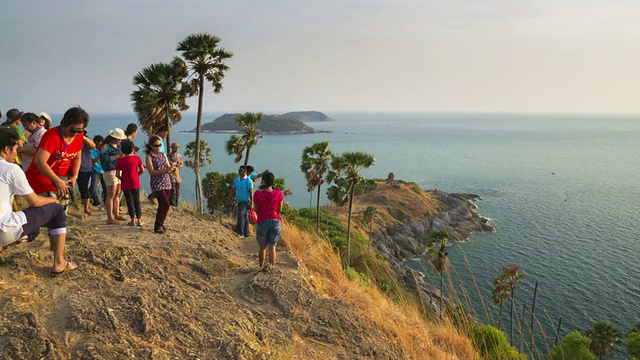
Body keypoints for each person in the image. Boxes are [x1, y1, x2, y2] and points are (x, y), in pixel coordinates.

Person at [0, 128, 78, 274]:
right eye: (16, 149)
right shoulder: (11, 169)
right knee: (57, 210)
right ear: (6, 149)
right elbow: (34, 202)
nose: (17, 154)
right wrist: (52, 199)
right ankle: (60, 263)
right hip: (4, 230)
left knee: (28, 222)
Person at [25, 107, 88, 211]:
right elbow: (40, 161)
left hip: (61, 178)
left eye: (79, 131)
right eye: (73, 130)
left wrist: (74, 176)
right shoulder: (52, 136)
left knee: (62, 210)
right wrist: (57, 180)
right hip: (42, 176)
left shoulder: (78, 136)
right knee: (47, 209)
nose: (75, 134)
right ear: (65, 123)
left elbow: (77, 157)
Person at [252, 170, 283, 272]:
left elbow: (256, 209)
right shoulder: (278, 193)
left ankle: (260, 267)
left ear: (263, 182)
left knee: (262, 246)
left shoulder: (258, 194)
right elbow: (280, 209)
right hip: (275, 221)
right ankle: (271, 269)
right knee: (272, 246)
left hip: (262, 221)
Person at [145, 135, 174, 234]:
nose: (158, 147)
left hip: (166, 181)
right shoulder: (149, 157)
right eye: (156, 145)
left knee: (165, 205)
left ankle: (160, 224)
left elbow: (168, 166)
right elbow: (151, 172)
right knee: (165, 203)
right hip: (157, 183)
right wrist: (165, 171)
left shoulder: (163, 155)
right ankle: (157, 226)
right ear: (151, 146)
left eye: (159, 145)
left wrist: (171, 169)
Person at [100, 128, 127, 224]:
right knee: (111, 195)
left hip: (118, 170)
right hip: (110, 171)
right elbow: (105, 160)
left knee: (117, 194)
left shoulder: (118, 146)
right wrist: (117, 156)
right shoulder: (105, 147)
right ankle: (110, 217)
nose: (120, 141)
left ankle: (116, 213)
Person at [115, 140, 144, 226]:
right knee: (137, 201)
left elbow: (117, 174)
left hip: (125, 184)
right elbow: (142, 170)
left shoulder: (120, 161)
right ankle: (139, 219)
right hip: (135, 182)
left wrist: (122, 178)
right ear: (132, 149)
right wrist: (136, 175)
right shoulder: (137, 158)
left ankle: (133, 220)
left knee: (129, 201)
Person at [77, 131, 97, 215]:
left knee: (84, 188)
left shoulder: (85, 141)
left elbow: (93, 146)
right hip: (71, 168)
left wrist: (83, 138)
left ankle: (86, 208)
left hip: (84, 167)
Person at [232, 165, 254, 237]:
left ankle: (241, 233)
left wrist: (252, 203)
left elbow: (251, 192)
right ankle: (246, 233)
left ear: (245, 171)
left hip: (245, 201)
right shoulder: (237, 179)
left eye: (242, 169)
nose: (240, 170)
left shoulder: (248, 181)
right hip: (239, 201)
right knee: (244, 216)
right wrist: (230, 198)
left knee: (241, 215)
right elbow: (233, 188)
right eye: (240, 169)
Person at [89, 135, 105, 206]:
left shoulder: (104, 150)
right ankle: (97, 202)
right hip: (96, 170)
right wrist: (100, 156)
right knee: (93, 187)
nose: (100, 146)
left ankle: (105, 202)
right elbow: (92, 161)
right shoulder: (92, 151)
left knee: (106, 188)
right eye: (99, 144)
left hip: (104, 170)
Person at [168, 142, 183, 207]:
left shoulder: (179, 156)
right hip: (171, 176)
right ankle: (172, 204)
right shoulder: (168, 156)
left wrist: (179, 166)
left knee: (177, 192)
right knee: (173, 191)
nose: (176, 149)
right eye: (175, 148)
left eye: (177, 148)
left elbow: (182, 164)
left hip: (177, 176)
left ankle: (176, 205)